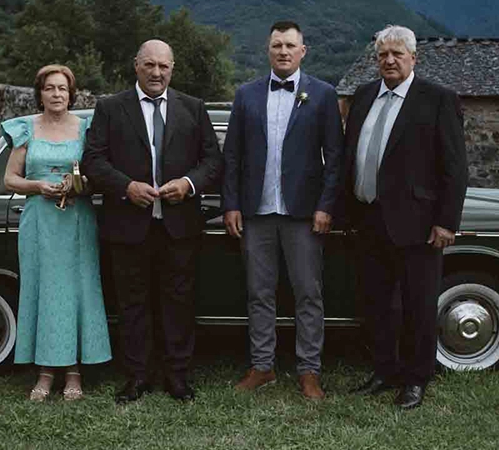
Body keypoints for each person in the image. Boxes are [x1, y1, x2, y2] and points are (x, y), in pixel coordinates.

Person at [81, 40, 222, 403]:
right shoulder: (110, 108)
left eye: (163, 66)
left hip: (180, 225)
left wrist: (188, 184)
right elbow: (92, 160)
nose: (156, 72)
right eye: (149, 65)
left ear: (172, 69)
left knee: (179, 302)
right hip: (128, 224)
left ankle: (177, 376)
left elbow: (213, 161)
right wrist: (126, 187)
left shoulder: (193, 107)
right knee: (132, 304)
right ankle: (137, 376)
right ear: (136, 65)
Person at [339, 25, 468, 410]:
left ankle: (415, 379)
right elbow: (350, 155)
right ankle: (384, 370)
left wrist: (446, 222)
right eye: (383, 55)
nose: (390, 60)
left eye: (397, 54)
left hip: (418, 224)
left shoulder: (437, 99)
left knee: (418, 305)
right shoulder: (364, 95)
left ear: (414, 57)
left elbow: (455, 167)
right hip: (367, 219)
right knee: (376, 303)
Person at [222, 21, 344, 400]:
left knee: (308, 293)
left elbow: (335, 158)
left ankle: (309, 371)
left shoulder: (322, 95)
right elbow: (232, 156)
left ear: (303, 51)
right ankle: (263, 366)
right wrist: (231, 205)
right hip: (256, 211)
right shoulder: (246, 94)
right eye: (277, 45)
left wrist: (326, 206)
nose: (283, 51)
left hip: (303, 214)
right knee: (259, 292)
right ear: (268, 50)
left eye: (290, 45)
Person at [2, 64, 111, 402]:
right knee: (44, 292)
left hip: (77, 219)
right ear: (40, 94)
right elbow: (10, 179)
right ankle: (45, 372)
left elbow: (98, 174)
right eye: (50, 88)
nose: (56, 94)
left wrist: (80, 184)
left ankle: (75, 371)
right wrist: (38, 186)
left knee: (78, 292)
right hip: (39, 221)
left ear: (71, 94)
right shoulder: (26, 128)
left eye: (62, 88)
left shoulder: (86, 128)